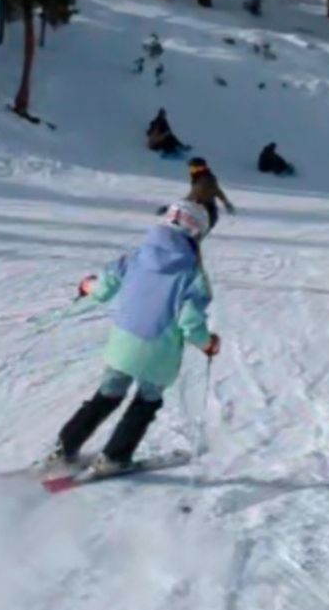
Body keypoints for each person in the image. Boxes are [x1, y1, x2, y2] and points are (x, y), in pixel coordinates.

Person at [46, 200, 220, 474]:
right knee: (146, 401)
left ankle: (64, 449)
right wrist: (207, 343)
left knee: (107, 395)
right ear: (197, 232)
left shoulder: (134, 257)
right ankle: (114, 457)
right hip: (158, 353)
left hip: (123, 345)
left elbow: (102, 289)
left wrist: (86, 284)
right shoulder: (192, 274)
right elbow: (189, 321)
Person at [154, 157, 235, 228]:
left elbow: (193, 196)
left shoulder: (205, 180)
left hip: (204, 213)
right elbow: (217, 191)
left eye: (194, 168)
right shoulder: (204, 178)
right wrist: (226, 203)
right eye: (191, 168)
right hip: (202, 211)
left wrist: (171, 207)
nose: (192, 171)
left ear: (201, 168)